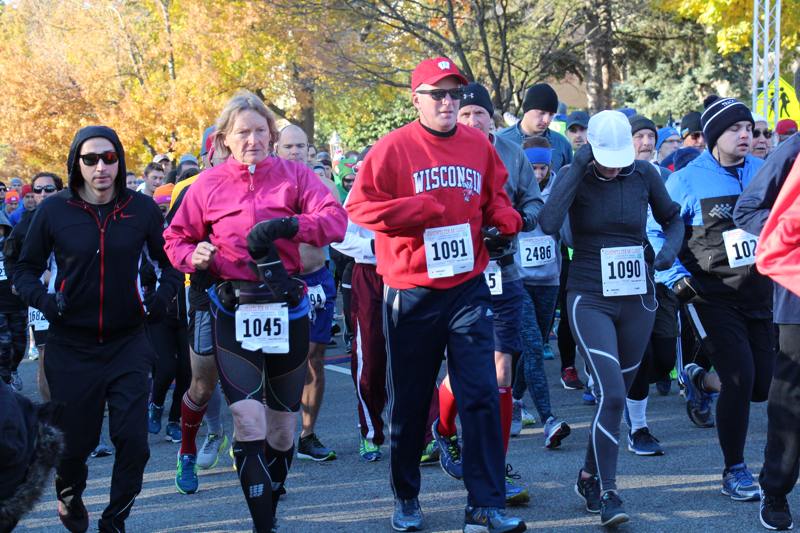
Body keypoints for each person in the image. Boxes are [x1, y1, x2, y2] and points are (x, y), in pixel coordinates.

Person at [347, 56, 525, 533]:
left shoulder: (478, 145)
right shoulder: (393, 148)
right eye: (437, 94)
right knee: (410, 401)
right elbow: (359, 206)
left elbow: (497, 198)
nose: (448, 103)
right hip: (412, 290)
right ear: (417, 99)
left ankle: (484, 503)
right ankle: (407, 495)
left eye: (454, 94)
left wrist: (504, 222)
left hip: (467, 285)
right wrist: (416, 210)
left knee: (482, 392)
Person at [163, 90, 347, 532]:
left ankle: (271, 501)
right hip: (233, 307)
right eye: (242, 133)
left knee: (283, 432)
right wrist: (197, 256)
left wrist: (289, 225)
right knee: (248, 421)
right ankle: (262, 524)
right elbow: (175, 240)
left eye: (260, 131)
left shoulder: (295, 176)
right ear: (225, 138)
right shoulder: (205, 185)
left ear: (271, 134)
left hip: (287, 308)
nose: (252, 140)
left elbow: (335, 221)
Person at [13, 125, 182, 533]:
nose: (101, 167)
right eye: (90, 159)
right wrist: (47, 302)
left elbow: (172, 261)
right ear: (77, 164)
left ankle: (116, 517)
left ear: (120, 160)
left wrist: (159, 303)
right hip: (72, 345)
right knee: (75, 445)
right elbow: (22, 268)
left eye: (109, 157)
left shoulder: (140, 209)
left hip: (128, 341)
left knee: (134, 442)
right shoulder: (55, 212)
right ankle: (69, 497)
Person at [538, 110, 683, 527]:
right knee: (613, 395)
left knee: (612, 396)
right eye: (606, 157)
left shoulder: (644, 175)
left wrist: (670, 249)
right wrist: (578, 165)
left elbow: (673, 219)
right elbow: (548, 223)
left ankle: (587, 475)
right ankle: (608, 491)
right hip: (589, 296)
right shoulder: (576, 172)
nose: (615, 165)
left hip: (637, 296)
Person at [654, 95, 773, 502]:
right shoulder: (687, 179)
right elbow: (655, 230)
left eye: (749, 129)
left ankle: (700, 379)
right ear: (712, 137)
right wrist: (673, 276)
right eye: (735, 129)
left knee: (762, 385)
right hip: (710, 295)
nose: (746, 136)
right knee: (739, 379)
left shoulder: (764, 171)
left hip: (760, 290)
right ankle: (734, 470)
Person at [445, 81, 543, 505]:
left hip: (504, 271)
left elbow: (535, 204)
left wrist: (516, 222)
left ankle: (496, 464)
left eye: (477, 114)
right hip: (455, 274)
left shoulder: (511, 152)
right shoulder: (440, 152)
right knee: (467, 370)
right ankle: (444, 427)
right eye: (463, 115)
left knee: (502, 369)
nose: (469, 121)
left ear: (490, 117)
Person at [734, 132, 800, 531]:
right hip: (796, 293)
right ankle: (775, 488)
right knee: (791, 400)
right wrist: (785, 230)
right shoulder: (793, 149)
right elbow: (748, 210)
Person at [275, 123, 341, 463]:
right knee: (274, 360)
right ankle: (267, 432)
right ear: (276, 149)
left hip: (317, 280)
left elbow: (340, 230)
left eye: (301, 146)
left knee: (314, 358)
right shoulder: (268, 188)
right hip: (278, 282)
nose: (295, 152)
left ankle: (307, 433)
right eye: (288, 147)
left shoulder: (325, 187)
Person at [511, 135, 574, 444]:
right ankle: (549, 418)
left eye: (542, 168)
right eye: (532, 167)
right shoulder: (513, 189)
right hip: (517, 279)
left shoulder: (557, 192)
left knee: (531, 348)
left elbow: (568, 236)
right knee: (534, 344)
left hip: (549, 280)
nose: (537, 174)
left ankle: (512, 399)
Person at [4, 172, 64, 401]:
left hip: (71, 295)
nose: (42, 194)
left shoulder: (73, 216)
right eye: (37, 190)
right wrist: (21, 282)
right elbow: (10, 258)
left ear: (59, 190)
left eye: (49, 189)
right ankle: (52, 416)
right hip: (40, 298)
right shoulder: (25, 224)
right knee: (45, 354)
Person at [146, 182, 189, 444]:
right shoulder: (148, 233)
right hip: (159, 312)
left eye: (167, 208)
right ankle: (156, 405)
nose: (163, 214)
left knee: (186, 370)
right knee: (165, 367)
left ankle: (175, 420)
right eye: (158, 209)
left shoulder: (188, 230)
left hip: (187, 311)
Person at [497, 83, 573, 173]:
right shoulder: (500, 141)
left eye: (551, 114)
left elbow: (571, 181)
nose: (546, 120)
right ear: (526, 109)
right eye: (542, 113)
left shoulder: (562, 144)